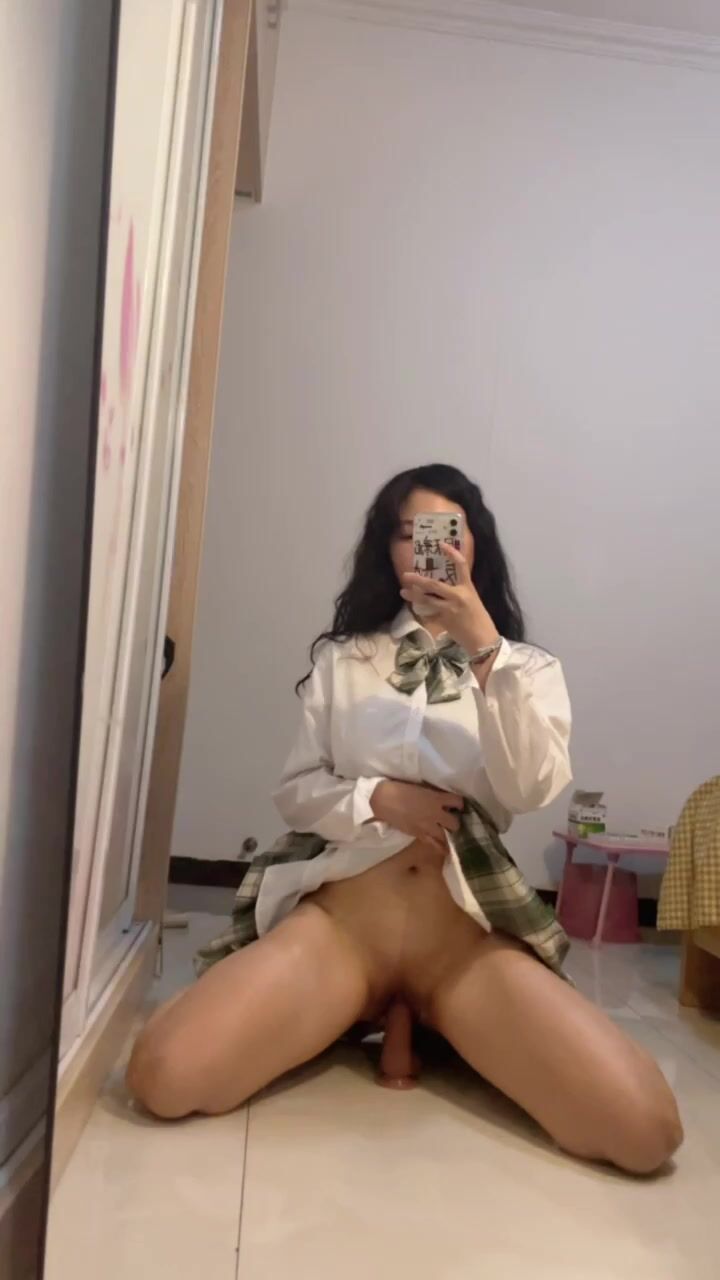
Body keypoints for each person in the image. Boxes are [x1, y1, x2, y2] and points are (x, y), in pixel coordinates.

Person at [127, 464, 682, 1175]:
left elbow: (531, 787)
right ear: (386, 552)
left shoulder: (529, 670)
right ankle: (360, 1010)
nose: (428, 548)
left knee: (645, 1129)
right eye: (406, 533)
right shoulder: (345, 658)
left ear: (474, 545)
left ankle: (423, 1018)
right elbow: (296, 792)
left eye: (446, 532)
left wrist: (486, 652)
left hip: (462, 946)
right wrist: (376, 799)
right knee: (164, 1075)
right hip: (343, 931)